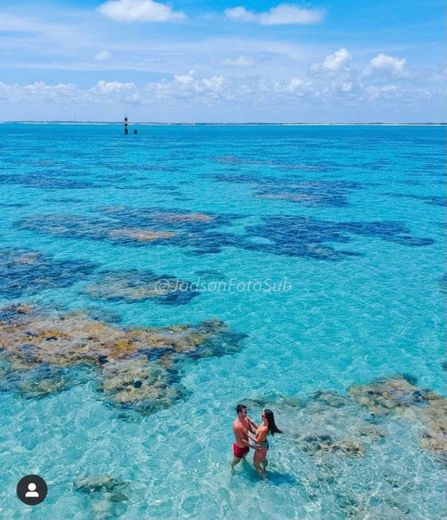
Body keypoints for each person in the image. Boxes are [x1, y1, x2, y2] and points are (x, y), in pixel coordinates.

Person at [249, 409, 282, 479]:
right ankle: (265, 466)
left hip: (261, 446)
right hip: (264, 445)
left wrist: (247, 434)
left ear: (267, 418)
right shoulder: (264, 423)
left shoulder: (265, 429)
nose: (261, 416)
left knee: (256, 465)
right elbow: (258, 429)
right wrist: (251, 422)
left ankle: (265, 479)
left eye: (262, 415)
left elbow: (257, 441)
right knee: (262, 459)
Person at [231, 403, 258, 470]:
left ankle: (244, 459)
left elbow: (251, 428)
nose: (246, 413)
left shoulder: (246, 418)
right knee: (236, 461)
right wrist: (253, 447)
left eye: (246, 412)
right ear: (239, 413)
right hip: (240, 448)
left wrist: (259, 432)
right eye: (245, 412)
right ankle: (231, 467)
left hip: (246, 445)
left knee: (245, 455)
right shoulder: (236, 425)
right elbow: (242, 440)